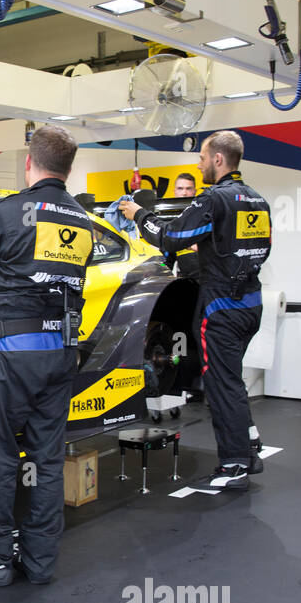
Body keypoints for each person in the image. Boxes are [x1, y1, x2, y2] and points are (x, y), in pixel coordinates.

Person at [0, 124, 96, 586]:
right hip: (63, 352)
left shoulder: (11, 211)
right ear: (67, 168)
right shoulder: (82, 218)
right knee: (47, 460)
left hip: (15, 353)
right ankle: (41, 563)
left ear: (29, 163)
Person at [118, 130, 270, 492]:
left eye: (202, 156)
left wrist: (139, 213)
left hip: (221, 307)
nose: (199, 163)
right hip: (251, 304)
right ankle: (247, 448)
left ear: (219, 159)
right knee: (231, 381)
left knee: (220, 386)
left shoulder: (215, 200)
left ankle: (233, 464)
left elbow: (170, 236)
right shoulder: (257, 200)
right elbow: (261, 250)